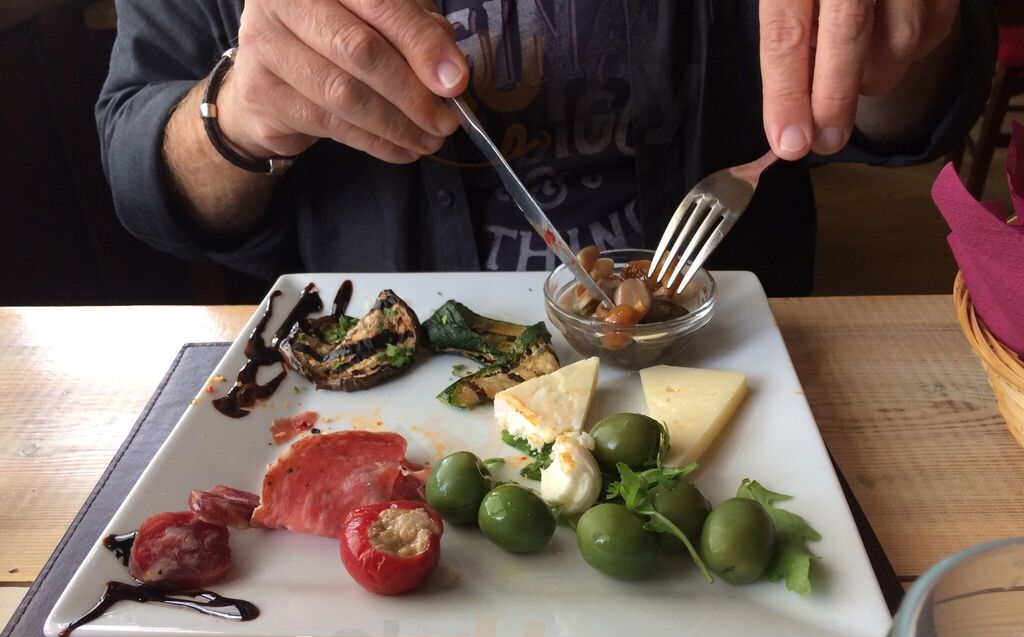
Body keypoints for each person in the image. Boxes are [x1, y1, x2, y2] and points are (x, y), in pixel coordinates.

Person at [97, 0, 996, 297]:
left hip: (736, 354)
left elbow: (919, 112)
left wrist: (891, 47)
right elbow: (142, 168)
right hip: (378, 382)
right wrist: (241, 115)